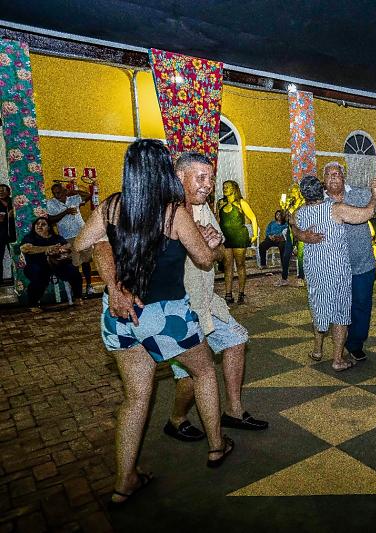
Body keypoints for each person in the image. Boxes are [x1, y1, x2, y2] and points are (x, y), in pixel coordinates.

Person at [74, 140, 233, 505]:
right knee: (204, 372)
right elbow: (205, 259)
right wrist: (212, 242)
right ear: (165, 171)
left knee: (135, 399)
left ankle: (124, 481)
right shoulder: (173, 212)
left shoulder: (111, 206)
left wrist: (110, 273)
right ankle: (216, 445)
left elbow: (79, 248)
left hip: (121, 315)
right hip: (165, 315)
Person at [94, 151, 268, 443]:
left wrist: (211, 243)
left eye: (211, 178)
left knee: (236, 340)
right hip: (173, 308)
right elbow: (101, 246)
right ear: (178, 177)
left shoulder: (202, 209)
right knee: (190, 377)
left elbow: (214, 253)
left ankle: (234, 412)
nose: (208, 185)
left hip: (204, 301)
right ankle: (178, 421)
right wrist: (115, 286)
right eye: (201, 178)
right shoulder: (156, 210)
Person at [293, 162, 376, 362]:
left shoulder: (359, 194)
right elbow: (294, 222)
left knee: (360, 306)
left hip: (361, 263)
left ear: (344, 177)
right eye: (329, 175)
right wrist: (302, 235)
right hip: (332, 268)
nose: (334, 177)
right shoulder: (317, 200)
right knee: (329, 306)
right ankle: (336, 349)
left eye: (337, 174)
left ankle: (354, 344)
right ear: (323, 180)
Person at [20, 217, 82, 312]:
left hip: (57, 264)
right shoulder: (29, 238)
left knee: (73, 271)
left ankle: (78, 297)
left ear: (49, 227)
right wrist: (48, 248)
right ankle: (33, 304)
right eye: (37, 224)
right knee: (39, 275)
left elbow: (68, 247)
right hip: (36, 265)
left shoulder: (56, 238)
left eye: (43, 224)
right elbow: (26, 249)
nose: (39, 226)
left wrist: (60, 250)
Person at [47, 183, 94, 297]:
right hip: (67, 237)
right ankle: (76, 289)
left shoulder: (73, 198)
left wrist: (73, 192)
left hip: (82, 234)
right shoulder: (51, 203)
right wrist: (65, 212)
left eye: (59, 192)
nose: (56, 195)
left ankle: (89, 285)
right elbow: (50, 219)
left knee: (86, 261)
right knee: (74, 263)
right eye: (54, 193)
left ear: (64, 191)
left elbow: (88, 195)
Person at [217, 180, 257, 304]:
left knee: (240, 264)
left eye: (227, 187)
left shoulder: (241, 203)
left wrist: (255, 235)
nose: (225, 189)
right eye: (224, 187)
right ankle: (228, 294)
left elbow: (253, 218)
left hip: (239, 237)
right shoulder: (220, 203)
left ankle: (241, 293)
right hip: (226, 238)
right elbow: (218, 220)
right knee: (227, 266)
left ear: (234, 189)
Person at [275, 184, 305, 287]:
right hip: (290, 232)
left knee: (300, 256)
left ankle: (301, 278)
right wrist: (283, 208)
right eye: (291, 191)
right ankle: (284, 278)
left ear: (299, 192)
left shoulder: (304, 202)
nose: (292, 193)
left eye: (294, 191)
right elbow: (283, 220)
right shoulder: (290, 203)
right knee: (286, 255)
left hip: (301, 231)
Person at [0, 184, 16, 284]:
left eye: (3, 190)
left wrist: (15, 214)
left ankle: (17, 278)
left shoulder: (13, 201)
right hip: (1, 234)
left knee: (16, 255)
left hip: (14, 233)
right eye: (0, 191)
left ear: (9, 192)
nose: (1, 192)